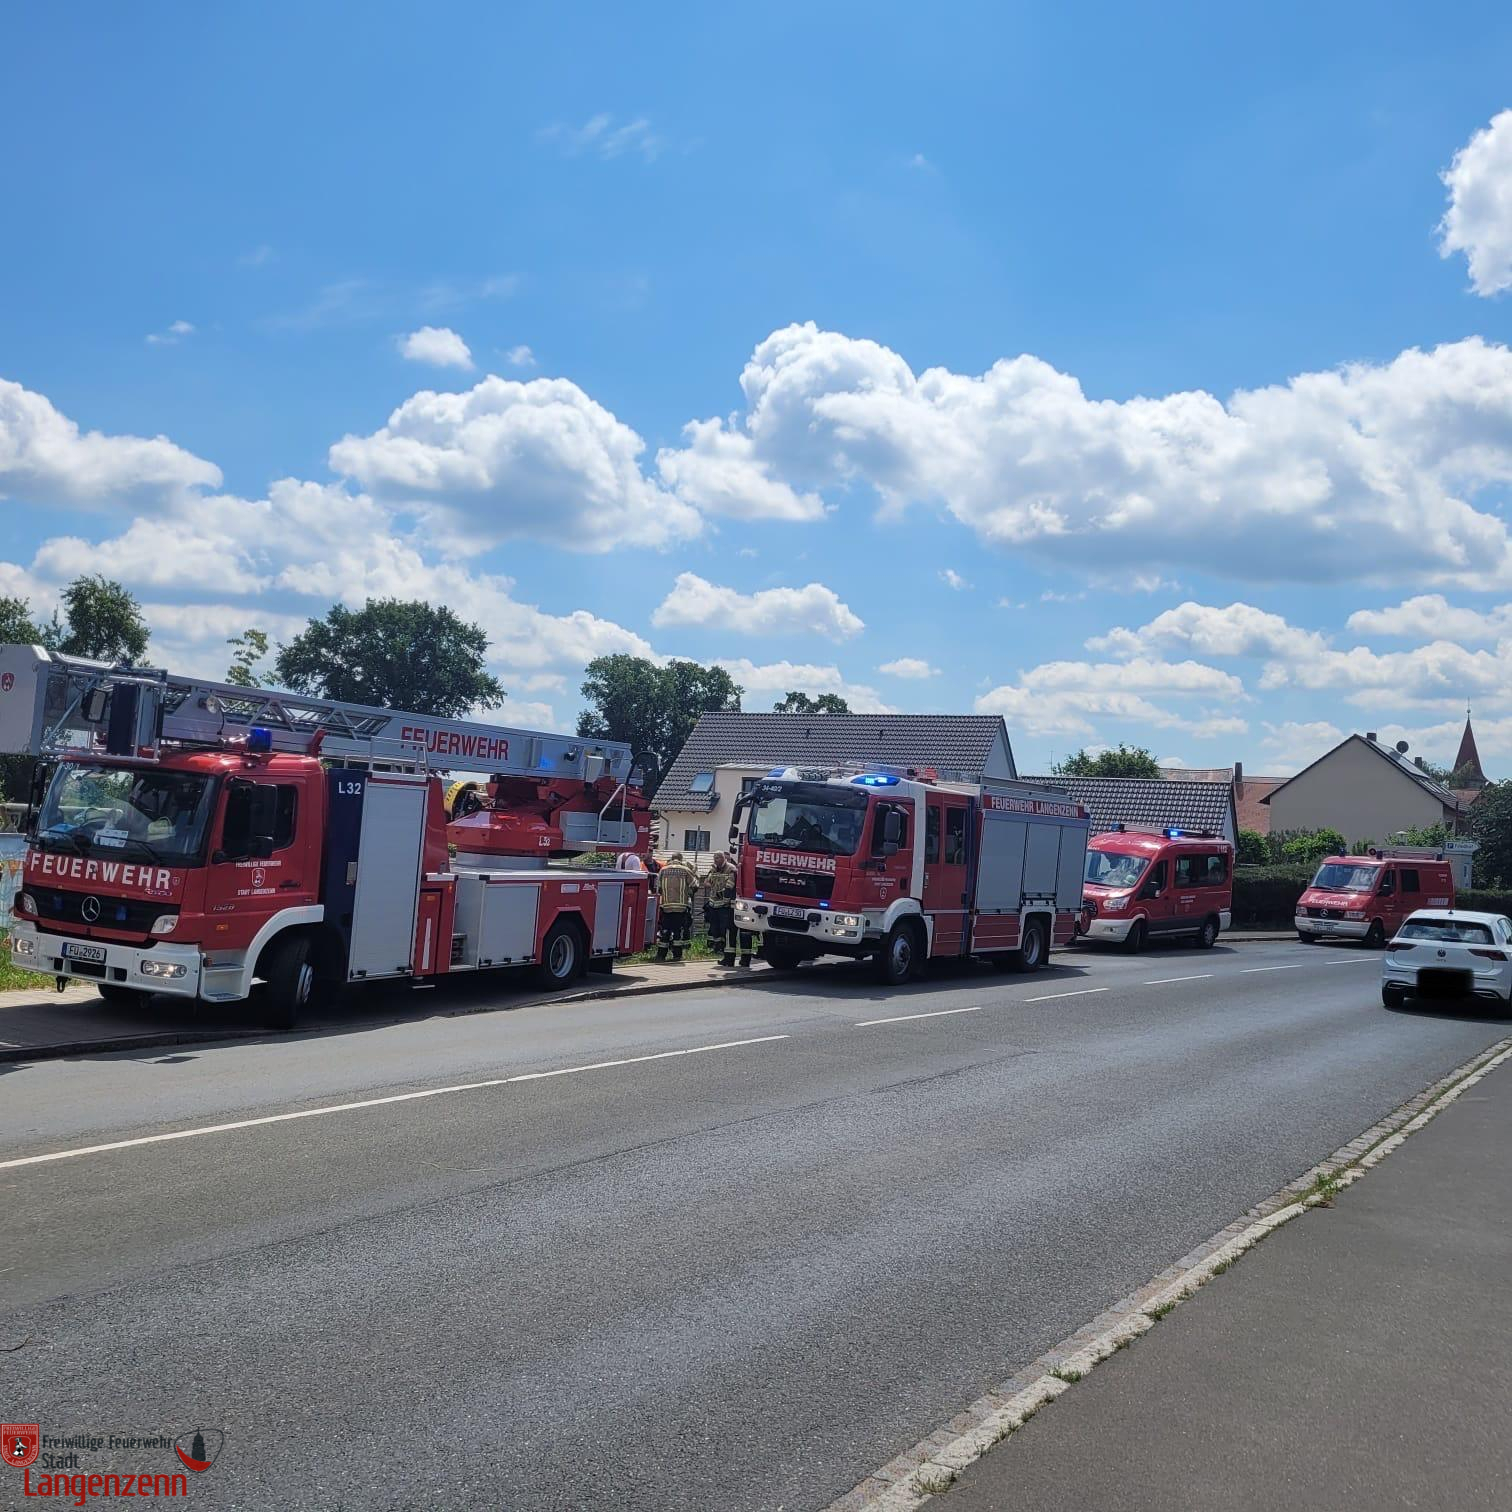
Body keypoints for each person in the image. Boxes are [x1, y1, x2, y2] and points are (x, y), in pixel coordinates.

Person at [703, 851, 748, 968]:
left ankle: (730, 959)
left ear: (723, 858)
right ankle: (726, 956)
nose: (715, 860)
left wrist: (720, 894)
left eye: (718, 858)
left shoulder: (731, 869)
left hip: (727, 906)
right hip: (714, 905)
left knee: (729, 932)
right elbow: (707, 881)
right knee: (718, 930)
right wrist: (710, 885)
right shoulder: (713, 869)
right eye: (714, 858)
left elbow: (730, 887)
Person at [654, 851, 697, 962]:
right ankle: (677, 955)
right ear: (681, 859)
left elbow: (657, 887)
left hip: (666, 906)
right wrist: (689, 894)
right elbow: (695, 885)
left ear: (671, 858)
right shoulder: (685, 870)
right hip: (681, 906)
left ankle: (661, 955)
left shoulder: (663, 870)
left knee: (665, 930)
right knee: (677, 931)